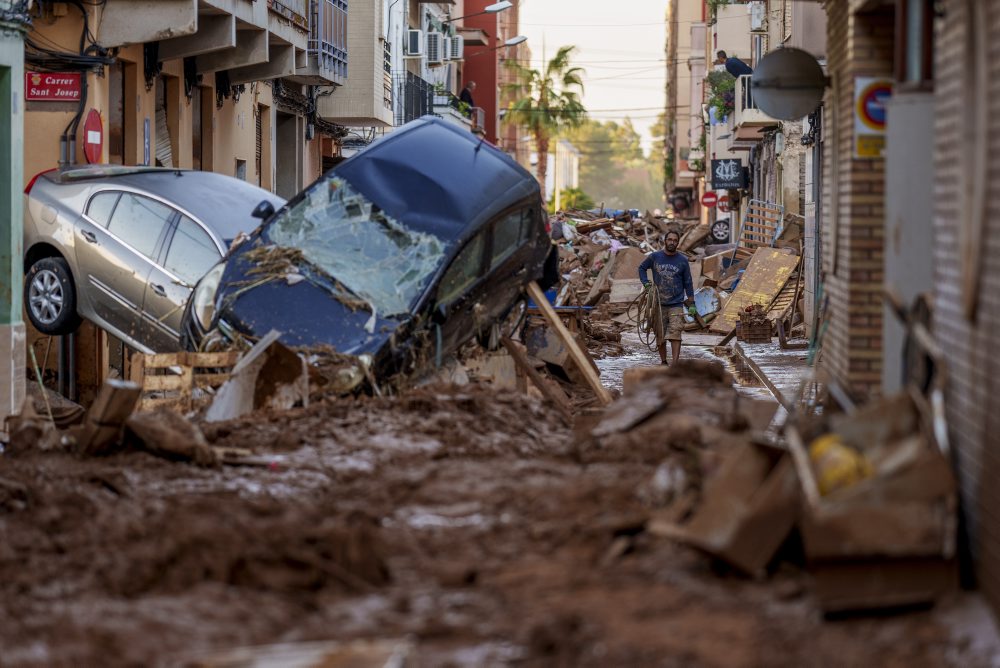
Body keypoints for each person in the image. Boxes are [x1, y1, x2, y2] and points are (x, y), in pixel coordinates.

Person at [638, 230, 696, 366]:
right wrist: (646, 283)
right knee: (660, 334)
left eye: (675, 240)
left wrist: (692, 302)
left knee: (676, 333)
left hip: (676, 303)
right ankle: (664, 362)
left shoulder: (682, 260)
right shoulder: (654, 257)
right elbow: (641, 268)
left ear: (678, 243)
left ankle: (675, 364)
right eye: (669, 240)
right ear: (665, 241)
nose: (672, 242)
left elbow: (688, 281)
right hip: (658, 302)